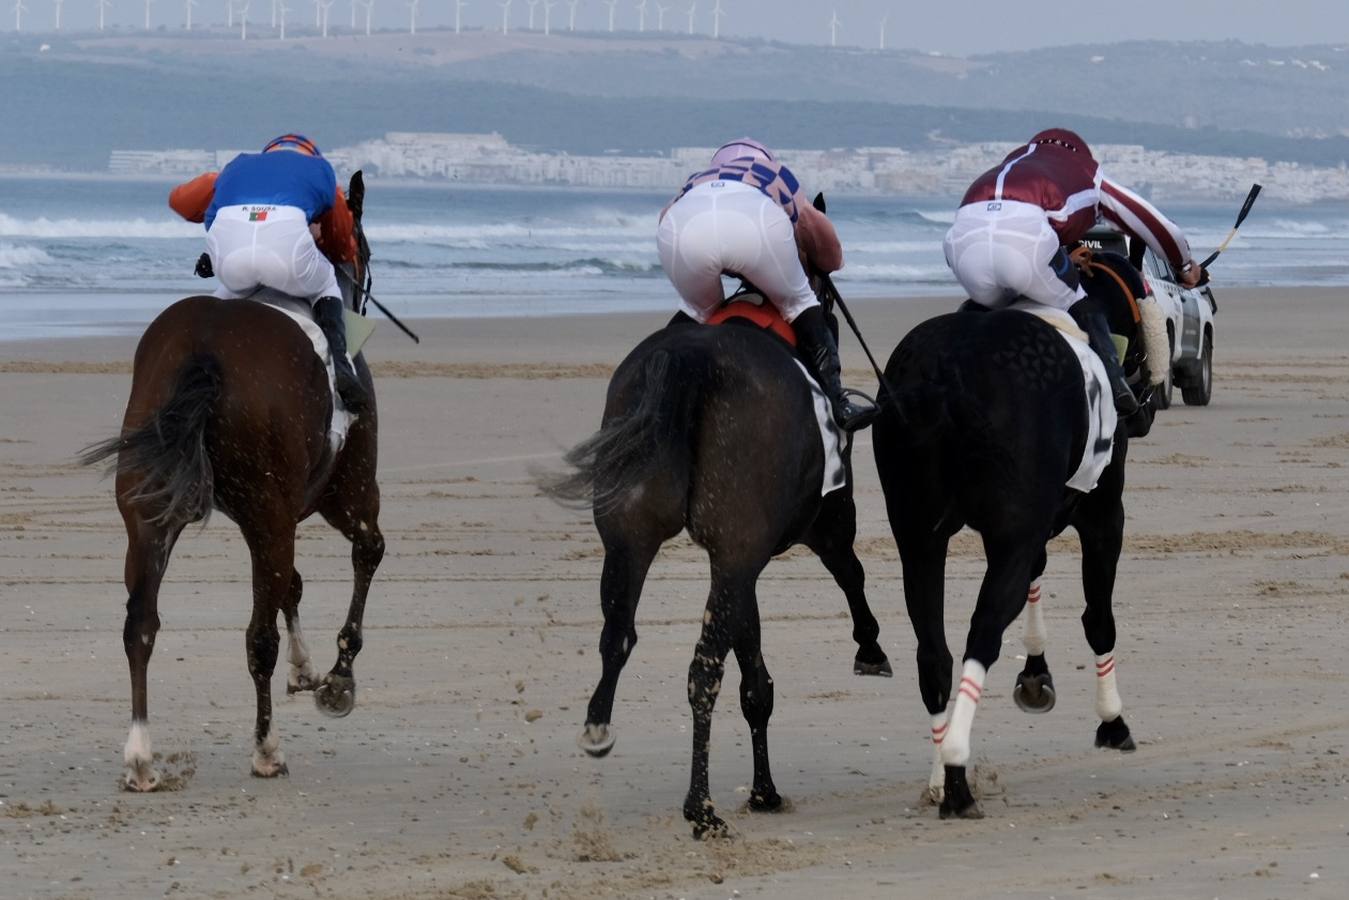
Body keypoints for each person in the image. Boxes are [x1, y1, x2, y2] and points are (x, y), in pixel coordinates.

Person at [943, 128, 1204, 416]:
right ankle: (1115, 386)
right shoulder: (1087, 172)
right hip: (1025, 246)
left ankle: (948, 373)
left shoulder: (1005, 168)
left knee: (982, 309)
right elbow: (1154, 224)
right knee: (1081, 303)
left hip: (961, 247)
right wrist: (1185, 266)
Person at [657, 138, 875, 432]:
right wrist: (831, 261)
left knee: (697, 310)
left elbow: (666, 220)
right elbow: (816, 229)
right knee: (800, 303)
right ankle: (840, 404)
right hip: (754, 222)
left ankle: (653, 394)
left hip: (681, 228)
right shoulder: (775, 172)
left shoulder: (696, 179)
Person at [168, 134, 369, 414]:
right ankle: (343, 370)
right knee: (326, 286)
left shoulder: (236, 167)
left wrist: (217, 185)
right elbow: (341, 246)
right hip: (285, 251)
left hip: (229, 255)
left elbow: (180, 202)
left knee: (217, 306)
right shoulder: (319, 169)